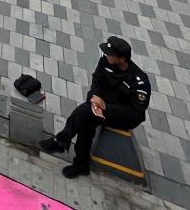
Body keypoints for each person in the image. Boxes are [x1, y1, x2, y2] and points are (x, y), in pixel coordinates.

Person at [40, 36, 151, 177]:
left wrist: (106, 107)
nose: (106, 55)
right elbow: (97, 81)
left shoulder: (139, 82)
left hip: (123, 117)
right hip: (100, 105)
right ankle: (80, 164)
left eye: (111, 54)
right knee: (86, 120)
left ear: (122, 59)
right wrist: (94, 97)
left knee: (84, 114)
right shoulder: (105, 62)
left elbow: (137, 113)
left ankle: (62, 141)